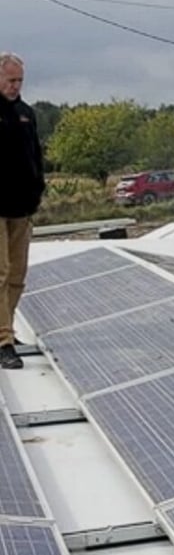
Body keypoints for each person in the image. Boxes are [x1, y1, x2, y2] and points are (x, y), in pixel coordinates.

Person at [0, 52, 45, 370]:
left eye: (19, 81)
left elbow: (36, 158)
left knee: (18, 274)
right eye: (11, 80)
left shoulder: (26, 114)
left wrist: (37, 192)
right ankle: (3, 340)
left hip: (22, 207)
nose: (16, 86)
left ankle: (8, 330)